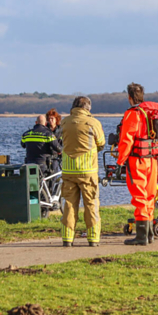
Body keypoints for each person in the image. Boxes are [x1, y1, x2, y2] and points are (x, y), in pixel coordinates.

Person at [117, 83, 158, 247]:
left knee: (139, 196)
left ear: (129, 97)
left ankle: (141, 236)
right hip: (153, 159)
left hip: (137, 160)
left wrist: (120, 161)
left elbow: (126, 139)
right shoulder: (152, 113)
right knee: (150, 196)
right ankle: (149, 235)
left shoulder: (132, 114)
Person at [59, 96, 105, 246]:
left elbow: (59, 140)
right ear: (88, 108)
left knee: (69, 204)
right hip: (88, 170)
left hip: (68, 170)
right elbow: (101, 143)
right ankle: (93, 239)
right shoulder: (93, 122)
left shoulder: (64, 122)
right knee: (91, 204)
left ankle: (67, 239)